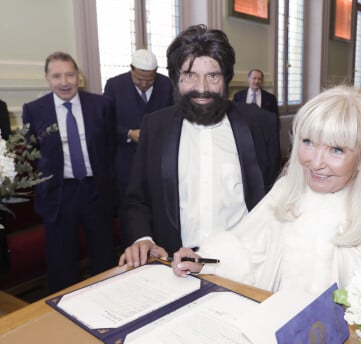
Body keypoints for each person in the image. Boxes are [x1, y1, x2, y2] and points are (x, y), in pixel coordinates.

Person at [171, 85, 361, 295]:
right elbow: (249, 252)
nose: (315, 162)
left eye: (336, 149)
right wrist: (207, 263)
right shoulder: (287, 191)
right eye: (309, 142)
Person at [119, 24, 281, 267]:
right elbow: (136, 200)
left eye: (212, 76)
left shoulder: (260, 123)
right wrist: (143, 238)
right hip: (175, 263)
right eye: (190, 75)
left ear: (226, 78)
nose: (202, 88)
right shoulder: (155, 126)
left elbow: (275, 197)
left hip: (244, 262)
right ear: (176, 79)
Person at [22, 52, 117, 292]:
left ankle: (108, 298)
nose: (64, 82)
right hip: (58, 194)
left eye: (70, 75)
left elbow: (110, 147)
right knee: (61, 260)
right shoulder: (34, 110)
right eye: (57, 76)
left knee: (104, 254)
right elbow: (32, 151)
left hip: (96, 190)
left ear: (79, 77)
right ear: (47, 79)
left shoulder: (101, 105)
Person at [103, 49, 174, 204]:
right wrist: (128, 134)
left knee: (157, 203)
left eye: (149, 80)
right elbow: (105, 122)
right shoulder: (114, 85)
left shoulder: (166, 84)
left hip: (158, 158)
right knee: (128, 205)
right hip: (126, 160)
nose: (144, 84)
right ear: (131, 69)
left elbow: (173, 118)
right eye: (139, 79)